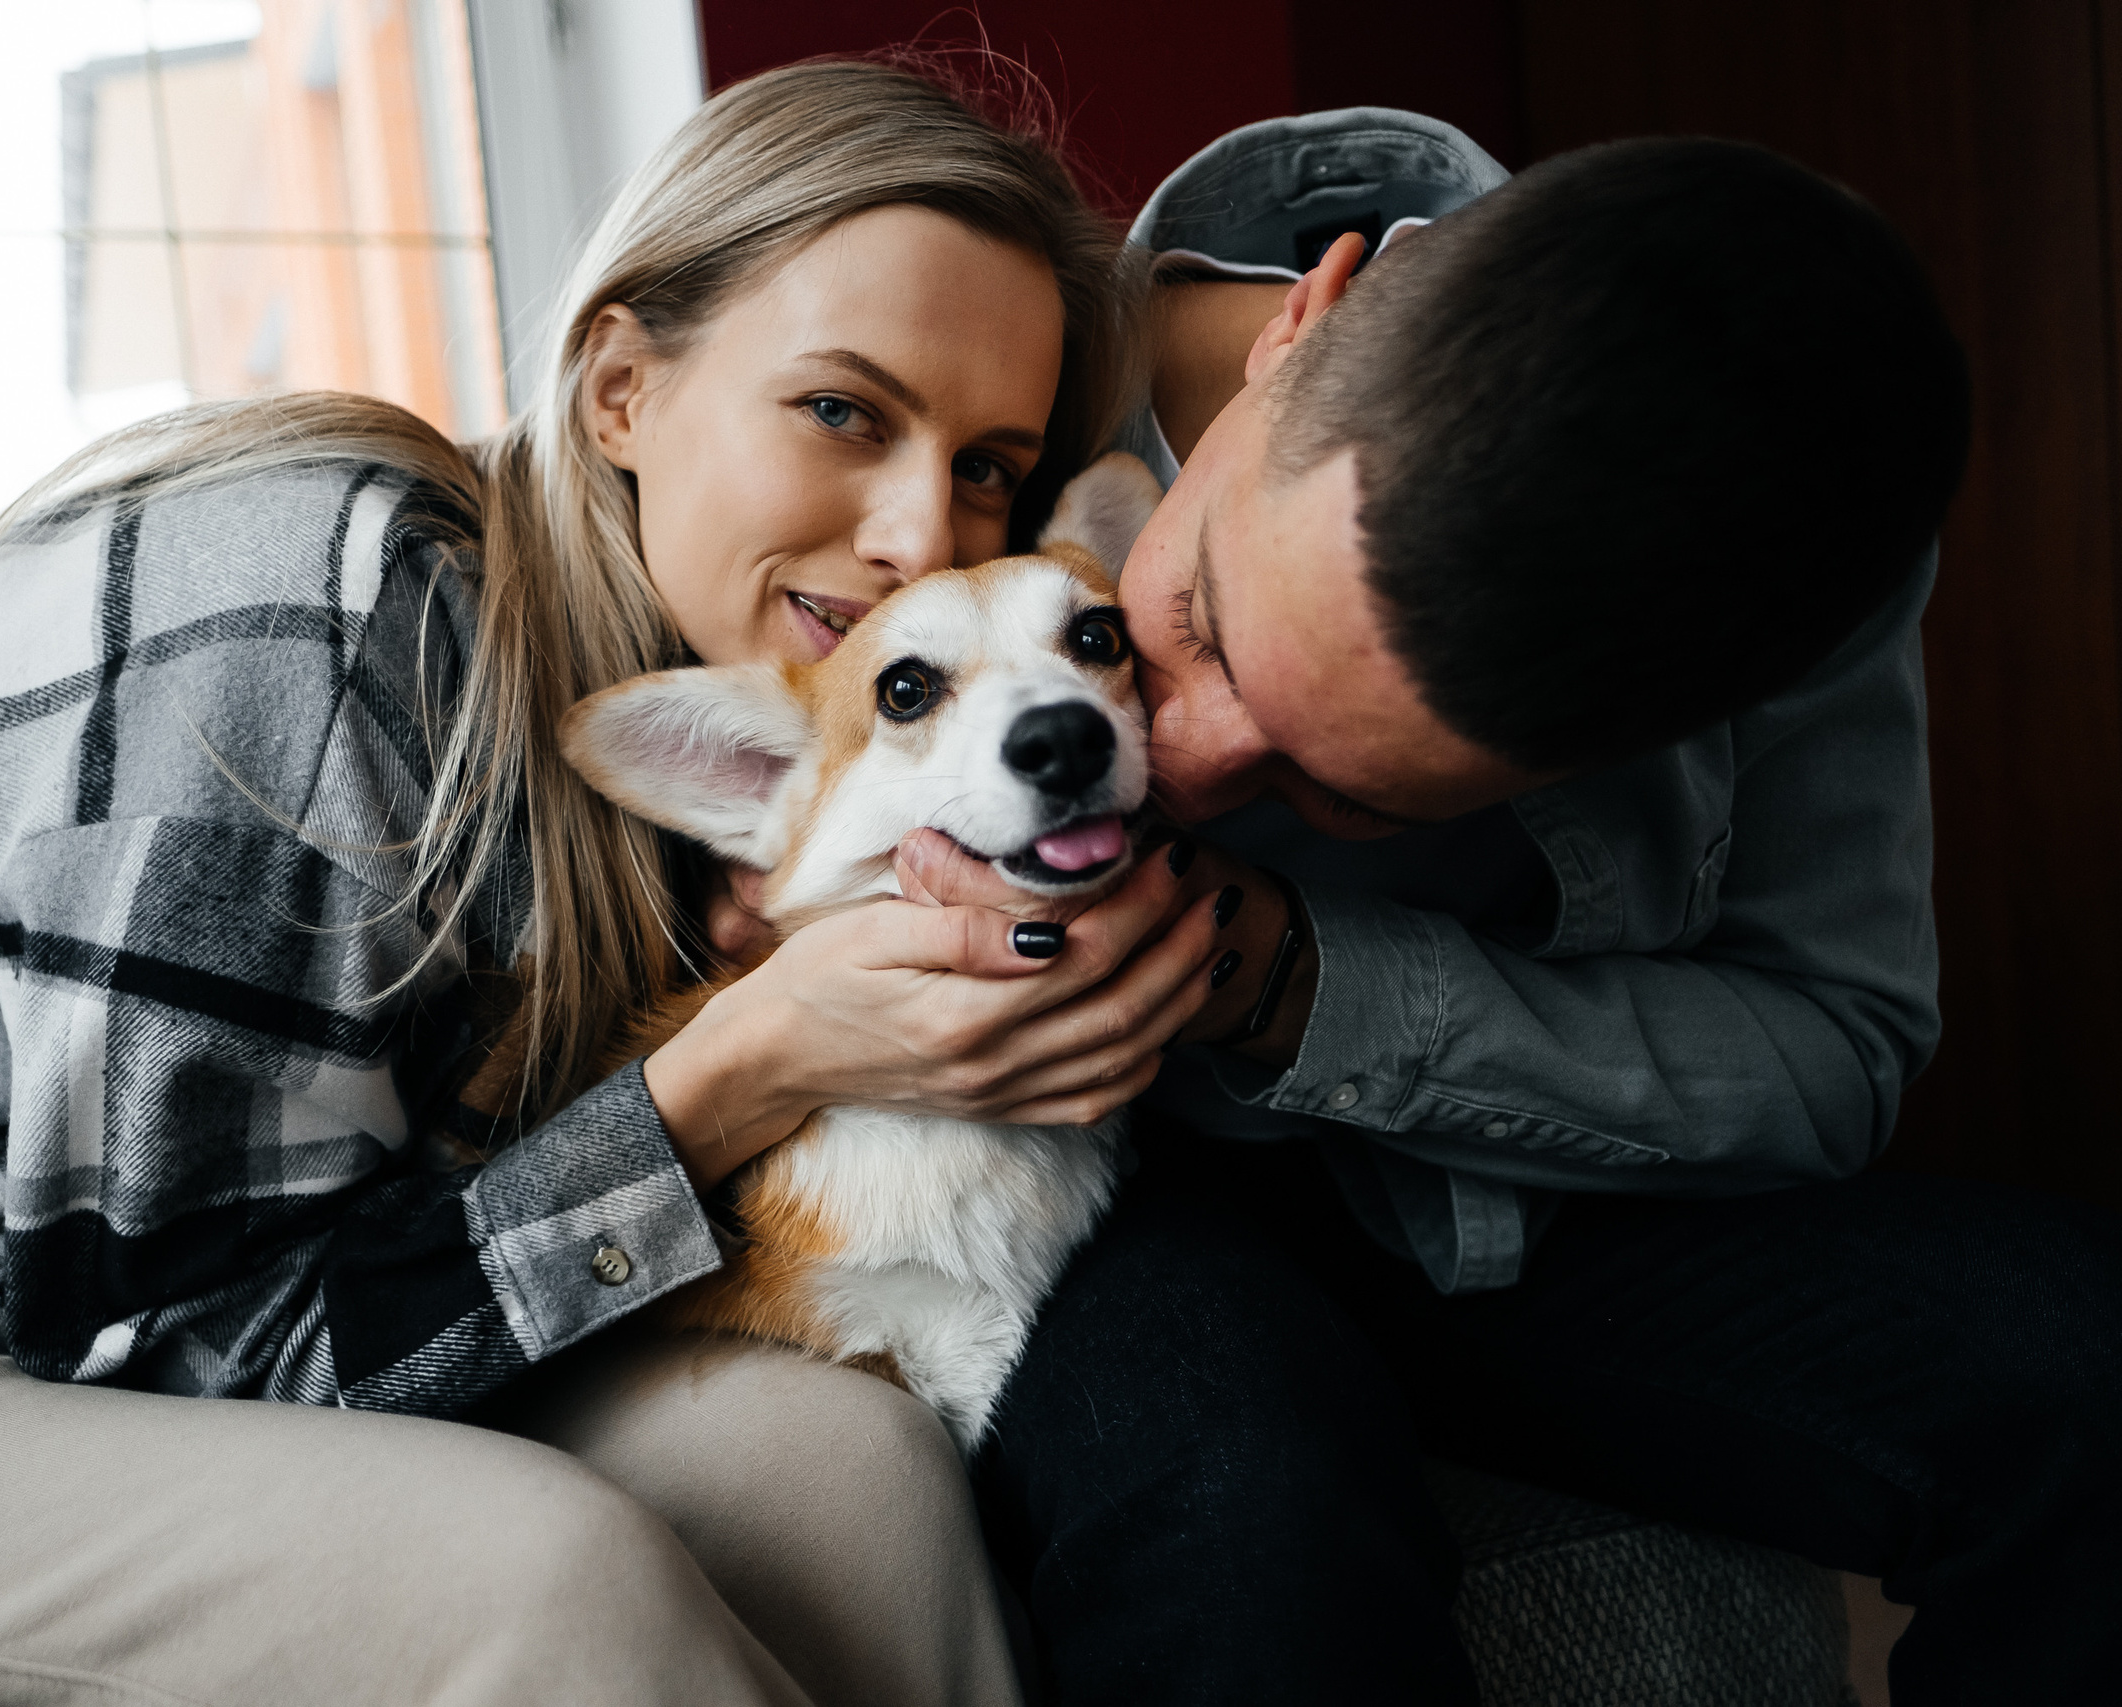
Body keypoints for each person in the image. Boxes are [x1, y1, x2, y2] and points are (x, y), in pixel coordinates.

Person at [0, 60, 1249, 1706]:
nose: (915, 536)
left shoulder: (717, 725)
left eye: (980, 467)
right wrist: (748, 1066)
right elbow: (190, 1357)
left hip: (105, 1355)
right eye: (841, 410)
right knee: (541, 1580)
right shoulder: (301, 601)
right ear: (620, 392)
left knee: (852, 1469)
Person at [891, 110, 2121, 1704]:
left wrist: (1294, 979)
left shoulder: (1781, 561)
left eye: (1347, 793)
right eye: (1187, 618)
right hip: (1096, 1196)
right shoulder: (965, 366)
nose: (1178, 770)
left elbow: (1835, 1050)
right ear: (1303, 323)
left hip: (1511, 1198)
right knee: (1253, 1503)